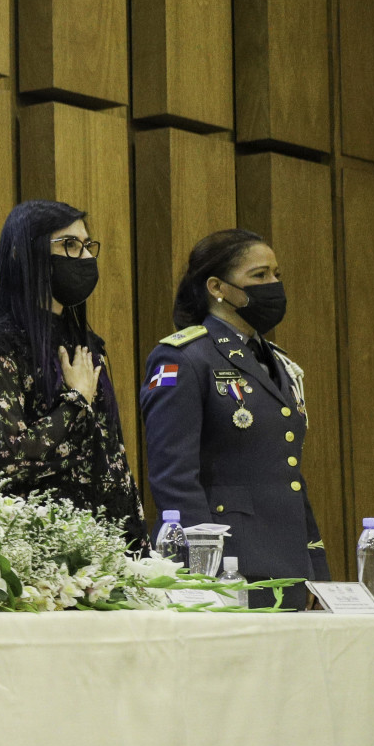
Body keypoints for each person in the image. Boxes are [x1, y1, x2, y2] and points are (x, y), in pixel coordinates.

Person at [140, 230, 325, 609]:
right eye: (259, 275)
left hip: (289, 564)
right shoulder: (184, 357)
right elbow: (174, 478)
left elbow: (289, 475)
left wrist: (315, 569)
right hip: (227, 566)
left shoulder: (276, 361)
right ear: (217, 287)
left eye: (276, 274)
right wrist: (201, 574)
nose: (273, 284)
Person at [0, 201, 142, 538]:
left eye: (87, 245)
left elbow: (110, 452)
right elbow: (8, 459)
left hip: (106, 536)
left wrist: (135, 538)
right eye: (70, 245)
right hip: (37, 541)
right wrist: (75, 401)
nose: (85, 257)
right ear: (25, 254)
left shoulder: (87, 343)